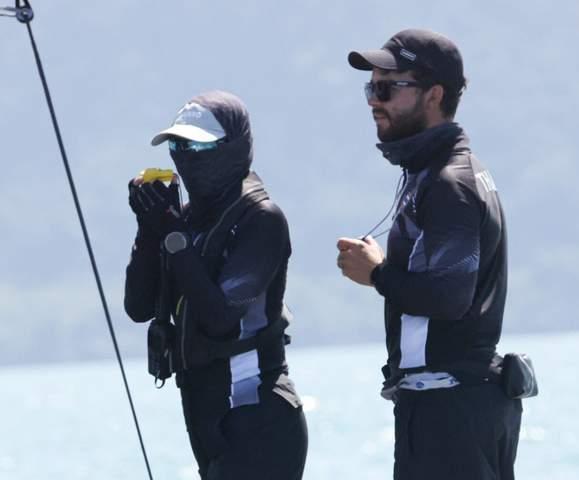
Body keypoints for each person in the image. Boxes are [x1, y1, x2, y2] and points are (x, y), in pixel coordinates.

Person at [336, 29, 522, 480]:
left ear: (434, 95)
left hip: (452, 410)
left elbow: (448, 297)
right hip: (447, 405)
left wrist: (377, 274)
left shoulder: (448, 182)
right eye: (370, 88)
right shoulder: (437, 174)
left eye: (387, 88)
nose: (373, 101)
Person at [124, 90, 308, 480]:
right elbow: (138, 307)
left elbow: (221, 318)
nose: (186, 155)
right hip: (208, 421)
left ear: (233, 147)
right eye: (178, 145)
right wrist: (148, 229)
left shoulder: (262, 219)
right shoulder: (186, 221)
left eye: (198, 145)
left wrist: (173, 236)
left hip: (258, 418)